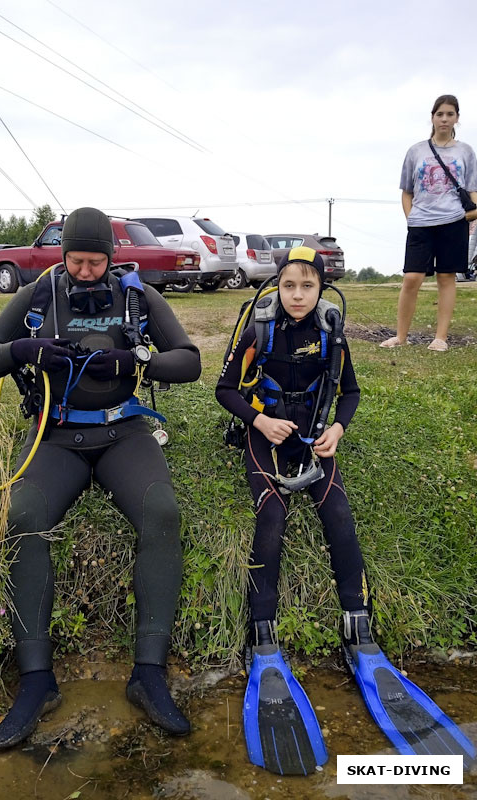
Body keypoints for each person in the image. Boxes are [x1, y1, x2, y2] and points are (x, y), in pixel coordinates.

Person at [215, 248, 475, 775]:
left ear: (320, 290)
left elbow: (349, 393)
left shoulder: (332, 331)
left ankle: (359, 629)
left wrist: (336, 430)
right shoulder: (259, 328)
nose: (297, 295)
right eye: (288, 285)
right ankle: (262, 638)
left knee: (339, 518)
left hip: (313, 440)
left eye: (307, 286)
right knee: (271, 517)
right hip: (266, 438)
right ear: (277, 287)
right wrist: (260, 425)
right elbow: (225, 390)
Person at [0, 207, 201, 749]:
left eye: (97, 261)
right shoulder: (39, 294)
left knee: (162, 513)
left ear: (112, 257)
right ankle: (35, 679)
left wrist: (132, 365)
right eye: (77, 261)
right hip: (56, 435)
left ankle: (148, 673)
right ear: (62, 255)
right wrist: (21, 350)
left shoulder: (137, 295)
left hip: (123, 432)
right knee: (24, 516)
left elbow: (188, 361)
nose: (87, 271)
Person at [381, 94, 477, 351]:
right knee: (412, 278)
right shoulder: (416, 151)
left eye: (450, 114)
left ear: (457, 118)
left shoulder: (465, 151)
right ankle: (401, 337)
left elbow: (472, 190)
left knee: (447, 277)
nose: (444, 119)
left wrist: (468, 215)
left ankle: (440, 338)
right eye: (439, 114)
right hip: (421, 223)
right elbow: (406, 191)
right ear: (432, 117)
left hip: (453, 222)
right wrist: (411, 218)